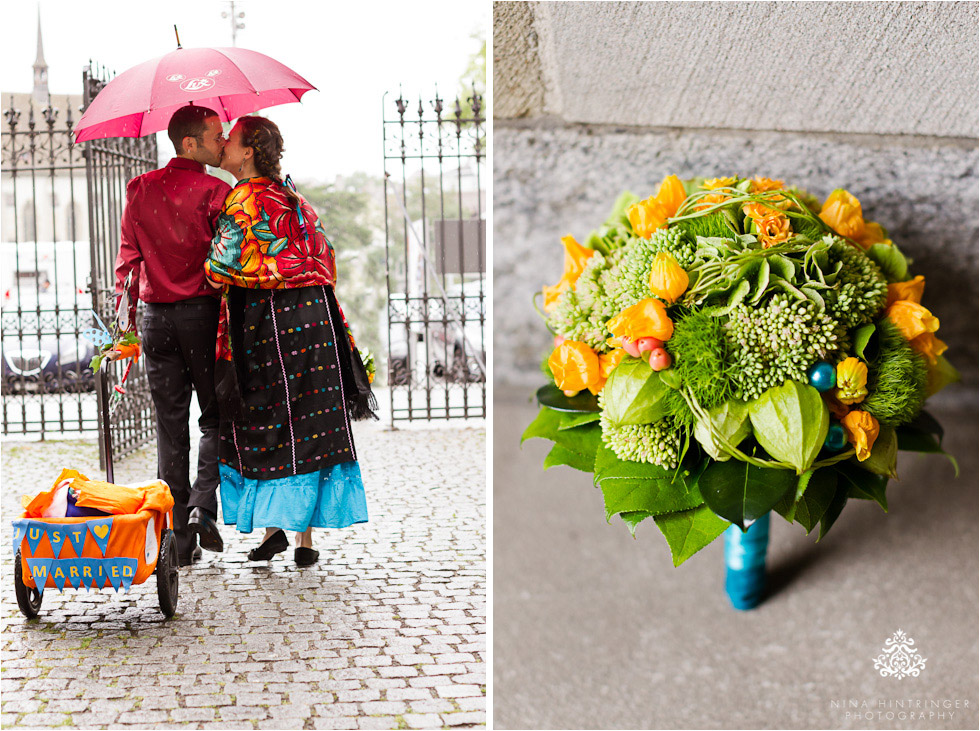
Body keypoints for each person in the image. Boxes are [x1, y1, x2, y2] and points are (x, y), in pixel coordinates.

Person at [204, 115, 374, 566]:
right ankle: (303, 541)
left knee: (269, 416)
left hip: (270, 322)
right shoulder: (294, 197)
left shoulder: (241, 200)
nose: (222, 145)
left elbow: (218, 269)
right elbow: (325, 255)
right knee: (309, 419)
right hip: (316, 318)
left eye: (230, 140)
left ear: (248, 153)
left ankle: (275, 530)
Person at [113, 105, 229, 567]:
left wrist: (129, 324)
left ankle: (178, 541)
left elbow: (127, 263)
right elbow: (229, 263)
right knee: (217, 416)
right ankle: (204, 503)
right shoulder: (218, 192)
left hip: (155, 321)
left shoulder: (140, 189)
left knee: (169, 427)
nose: (222, 143)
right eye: (215, 136)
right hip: (202, 316)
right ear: (189, 143)